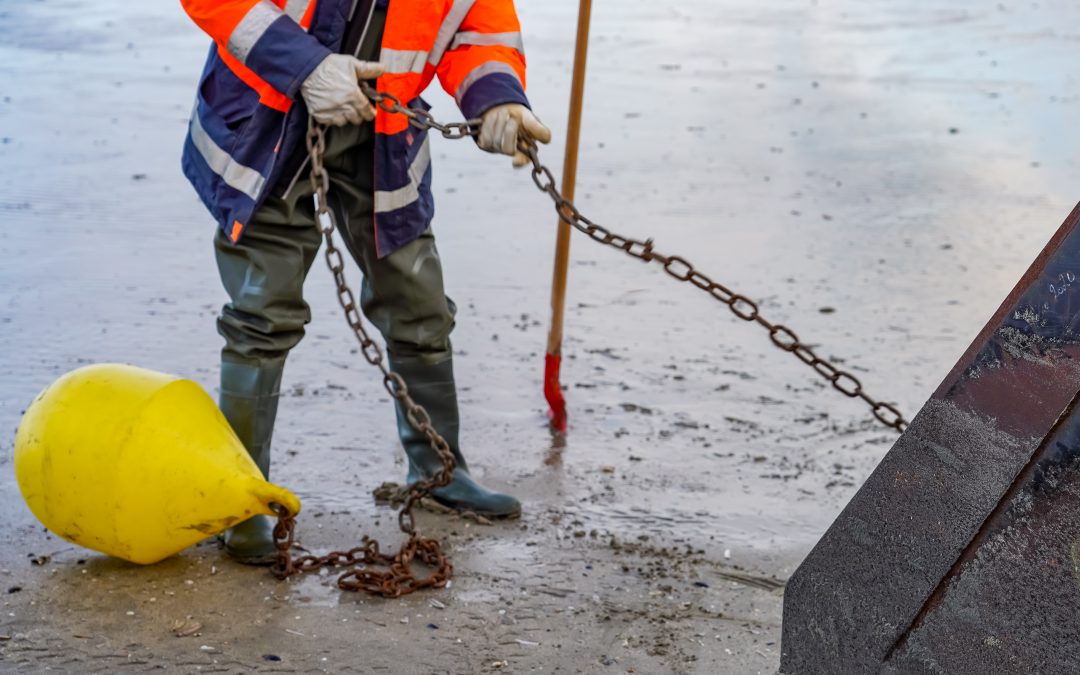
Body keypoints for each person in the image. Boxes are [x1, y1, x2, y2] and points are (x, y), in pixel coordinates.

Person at [179, 0, 551, 564]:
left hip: (384, 130)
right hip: (269, 123)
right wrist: (305, 65)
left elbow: (478, 24)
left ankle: (437, 471)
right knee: (262, 313)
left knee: (419, 304)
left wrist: (496, 95)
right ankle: (242, 500)